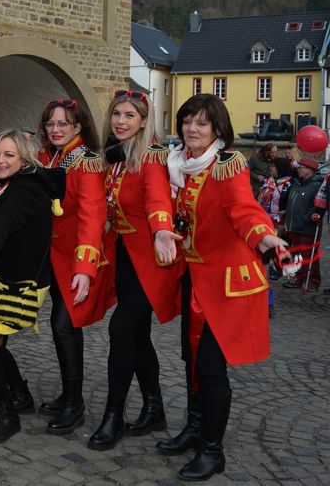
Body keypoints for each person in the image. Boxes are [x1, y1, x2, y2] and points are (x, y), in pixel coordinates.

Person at [161, 93, 287, 481]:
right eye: (187, 121)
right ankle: (195, 429)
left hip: (227, 282)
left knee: (212, 368)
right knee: (191, 360)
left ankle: (212, 451)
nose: (192, 129)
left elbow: (243, 208)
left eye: (201, 123)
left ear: (218, 129)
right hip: (193, 278)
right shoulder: (177, 164)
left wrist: (265, 238)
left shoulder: (225, 165)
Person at [88, 90, 182, 451]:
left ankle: (113, 416)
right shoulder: (114, 157)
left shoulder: (152, 157)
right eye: (116, 114)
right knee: (138, 336)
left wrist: (160, 228)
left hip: (154, 258)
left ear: (144, 120)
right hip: (126, 259)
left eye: (129, 115)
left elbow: (159, 199)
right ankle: (154, 406)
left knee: (120, 329)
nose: (121, 121)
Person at [0, 129, 64, 444]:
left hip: (19, 284)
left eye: (9, 154)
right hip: (3, 277)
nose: (0, 160)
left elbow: (9, 219)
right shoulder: (9, 184)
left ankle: (7, 413)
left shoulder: (26, 189)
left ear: (24, 157)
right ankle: (20, 394)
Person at [36, 98, 109, 435]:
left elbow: (93, 219)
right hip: (54, 257)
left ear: (78, 127)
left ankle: (75, 404)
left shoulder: (88, 163)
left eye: (63, 124)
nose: (56, 129)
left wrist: (84, 268)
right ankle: (69, 394)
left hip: (78, 259)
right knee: (60, 325)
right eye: (51, 124)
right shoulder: (50, 157)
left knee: (64, 325)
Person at [280, 156, 323, 291]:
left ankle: (312, 281)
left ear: (310, 170)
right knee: (298, 256)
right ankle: (299, 278)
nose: (299, 169)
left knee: (309, 256)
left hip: (307, 228)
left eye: (302, 167)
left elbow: (317, 206)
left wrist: (307, 217)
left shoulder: (316, 185)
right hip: (294, 226)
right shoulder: (298, 183)